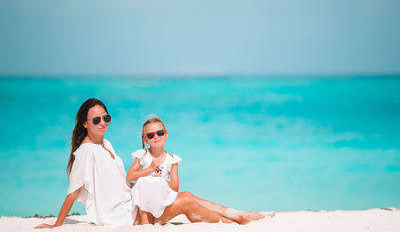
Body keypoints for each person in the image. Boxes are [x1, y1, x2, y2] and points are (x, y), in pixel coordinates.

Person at [35, 98, 272, 229]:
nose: (102, 123)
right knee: (186, 200)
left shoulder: (106, 144)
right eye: (96, 119)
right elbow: (73, 190)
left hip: (131, 203)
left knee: (186, 196)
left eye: (106, 118)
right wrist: (56, 225)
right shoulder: (86, 152)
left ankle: (237, 216)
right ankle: (232, 221)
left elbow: (123, 183)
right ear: (84, 124)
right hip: (122, 216)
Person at [127, 116, 182, 224]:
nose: (156, 137)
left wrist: (162, 180)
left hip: (161, 199)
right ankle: (144, 220)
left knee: (156, 182)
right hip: (144, 200)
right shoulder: (143, 155)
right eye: (151, 135)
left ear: (165, 134)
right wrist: (150, 169)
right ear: (145, 139)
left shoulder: (172, 159)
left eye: (160, 133)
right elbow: (129, 176)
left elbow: (175, 188)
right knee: (143, 181)